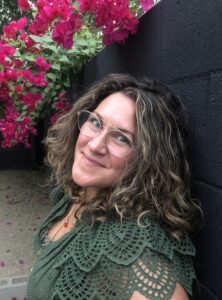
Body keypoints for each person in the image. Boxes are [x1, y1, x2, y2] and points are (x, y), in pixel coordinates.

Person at [27, 74, 202, 300]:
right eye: (96, 123)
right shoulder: (71, 195)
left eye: (121, 138)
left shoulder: (128, 239)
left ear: (146, 160)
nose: (95, 144)